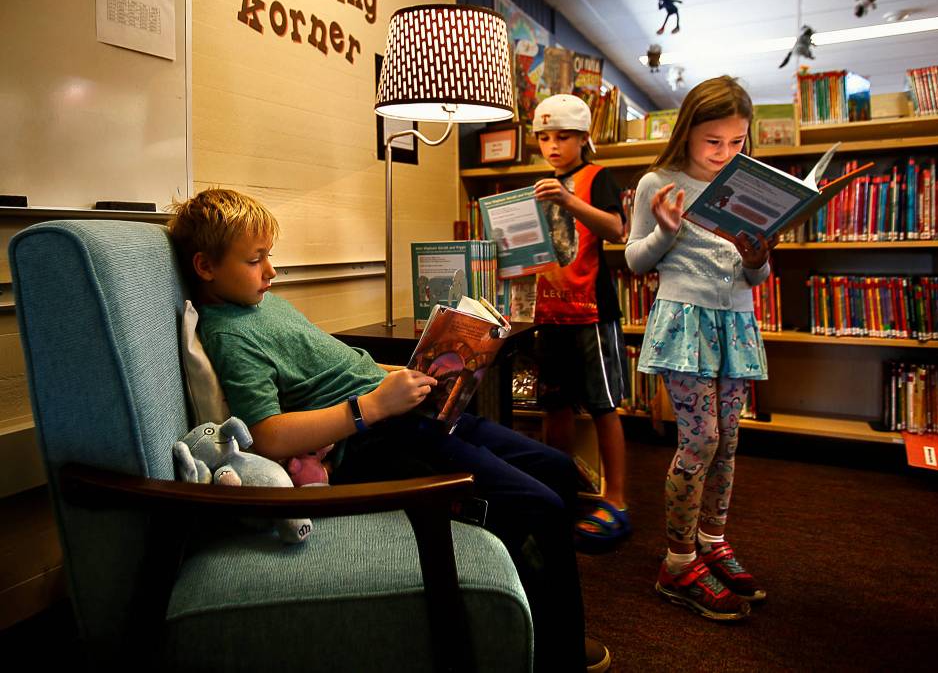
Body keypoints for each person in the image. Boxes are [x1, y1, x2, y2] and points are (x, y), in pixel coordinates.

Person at [167, 187, 610, 673]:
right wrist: (371, 406)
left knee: (557, 468)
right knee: (538, 505)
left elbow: (335, 366)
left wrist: (411, 371)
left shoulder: (261, 304)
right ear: (206, 267)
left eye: (269, 256)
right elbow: (266, 434)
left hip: (404, 410)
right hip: (377, 439)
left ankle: (540, 615)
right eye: (256, 260)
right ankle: (553, 652)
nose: (271, 270)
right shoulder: (228, 332)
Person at [625, 76, 776, 621]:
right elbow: (635, 262)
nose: (725, 154)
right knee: (701, 438)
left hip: (736, 321)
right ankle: (678, 561)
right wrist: (666, 230)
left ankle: (712, 541)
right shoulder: (657, 182)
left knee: (729, 440)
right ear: (687, 132)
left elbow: (756, 275)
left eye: (737, 143)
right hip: (684, 321)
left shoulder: (748, 182)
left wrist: (757, 256)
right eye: (713, 142)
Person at [530, 94, 631, 550]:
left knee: (604, 404)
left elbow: (616, 229)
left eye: (563, 136)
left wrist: (569, 199)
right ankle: (557, 486)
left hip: (591, 310)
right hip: (549, 310)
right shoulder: (541, 185)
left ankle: (616, 499)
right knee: (555, 404)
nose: (553, 145)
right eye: (544, 137)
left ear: (584, 138)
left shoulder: (597, 177)